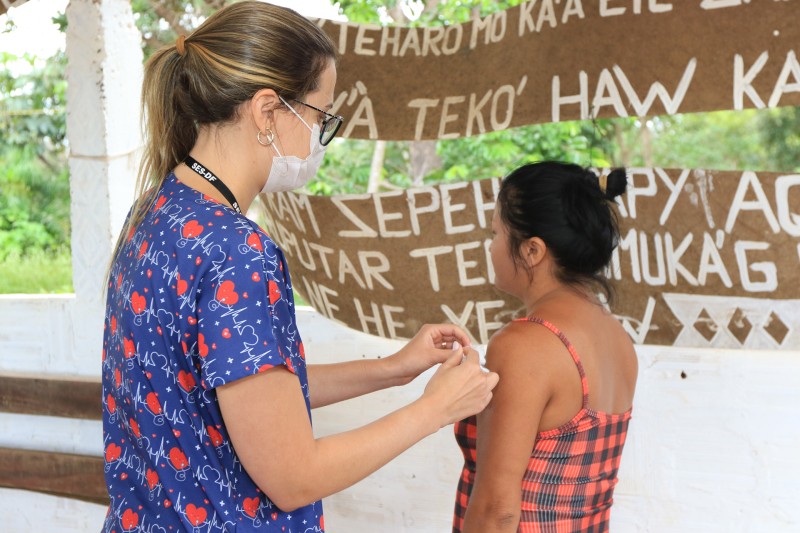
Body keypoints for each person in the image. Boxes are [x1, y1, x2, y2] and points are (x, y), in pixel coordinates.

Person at [100, 3, 498, 532]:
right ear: (268, 111)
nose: (320, 135)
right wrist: (434, 410)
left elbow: (248, 393)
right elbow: (292, 476)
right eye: (320, 114)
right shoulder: (236, 250)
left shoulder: (156, 210)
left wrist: (394, 369)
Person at [453, 161, 638, 533]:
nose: (491, 247)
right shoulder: (618, 337)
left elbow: (496, 512)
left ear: (532, 250)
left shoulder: (525, 346)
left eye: (496, 233)